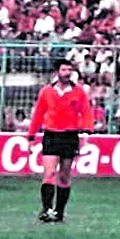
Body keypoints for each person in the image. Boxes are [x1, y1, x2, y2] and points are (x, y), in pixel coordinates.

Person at [26, 60, 95, 223]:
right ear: (57, 72)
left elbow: (86, 112)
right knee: (49, 173)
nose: (67, 73)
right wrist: (31, 136)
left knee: (64, 176)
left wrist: (87, 131)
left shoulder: (78, 92)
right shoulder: (47, 92)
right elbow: (38, 114)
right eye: (64, 69)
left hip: (70, 136)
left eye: (69, 70)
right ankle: (46, 209)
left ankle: (59, 212)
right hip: (51, 135)